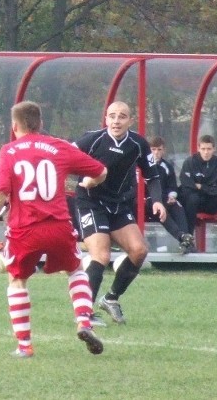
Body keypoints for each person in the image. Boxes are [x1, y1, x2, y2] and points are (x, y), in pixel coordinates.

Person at [0, 100, 107, 358]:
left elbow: (1, 192)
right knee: (75, 269)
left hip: (24, 229)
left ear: (15, 126)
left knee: (17, 280)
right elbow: (101, 170)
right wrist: (89, 182)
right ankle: (84, 321)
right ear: (41, 124)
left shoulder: (9, 151)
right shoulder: (58, 146)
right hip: (58, 225)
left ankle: (24, 346)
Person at [74, 101, 167, 326]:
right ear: (106, 119)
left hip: (118, 205)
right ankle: (85, 314)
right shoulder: (91, 139)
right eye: (112, 116)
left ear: (130, 121)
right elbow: (64, 158)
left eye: (122, 116)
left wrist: (157, 202)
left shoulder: (138, 144)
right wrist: (83, 177)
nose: (116, 121)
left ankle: (111, 298)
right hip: (91, 203)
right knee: (101, 255)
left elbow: (152, 175)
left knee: (139, 250)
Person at [179, 134, 217, 254]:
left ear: (214, 149)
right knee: (191, 198)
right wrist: (209, 187)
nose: (206, 152)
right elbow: (186, 186)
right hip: (194, 201)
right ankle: (188, 240)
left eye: (209, 149)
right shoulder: (190, 162)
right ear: (198, 148)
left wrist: (201, 186)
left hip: (212, 201)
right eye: (203, 149)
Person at [146, 136, 195, 253]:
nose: (156, 153)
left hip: (164, 198)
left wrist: (172, 196)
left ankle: (186, 241)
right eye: (153, 149)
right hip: (147, 201)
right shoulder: (144, 165)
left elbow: (172, 186)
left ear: (164, 150)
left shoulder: (167, 167)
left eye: (159, 149)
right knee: (160, 209)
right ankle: (181, 236)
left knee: (177, 205)